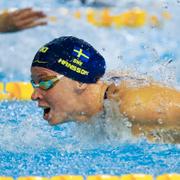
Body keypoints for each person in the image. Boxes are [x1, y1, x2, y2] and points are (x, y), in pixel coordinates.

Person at [30, 36, 180, 143]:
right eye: (34, 84)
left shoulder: (133, 106)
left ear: (80, 81)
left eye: (44, 82)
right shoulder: (92, 111)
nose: (34, 95)